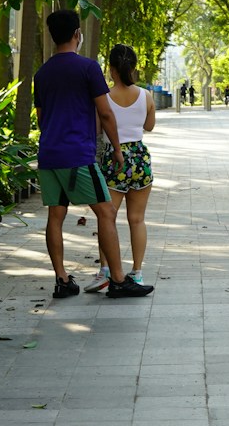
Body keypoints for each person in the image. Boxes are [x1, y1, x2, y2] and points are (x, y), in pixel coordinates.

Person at [33, 10, 153, 300]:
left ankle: (62, 280)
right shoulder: (88, 68)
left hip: (49, 154)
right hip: (77, 155)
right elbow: (105, 113)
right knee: (106, 212)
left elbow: (40, 118)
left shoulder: (42, 73)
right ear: (77, 34)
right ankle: (119, 280)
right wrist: (117, 151)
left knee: (55, 216)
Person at [82, 44, 157, 291]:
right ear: (133, 68)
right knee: (137, 219)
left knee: (107, 217)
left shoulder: (103, 98)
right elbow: (149, 126)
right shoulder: (146, 96)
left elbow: (97, 130)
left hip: (114, 160)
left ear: (111, 69)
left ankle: (105, 271)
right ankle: (137, 272)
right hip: (139, 158)